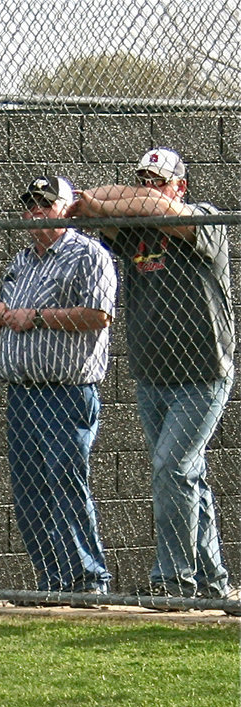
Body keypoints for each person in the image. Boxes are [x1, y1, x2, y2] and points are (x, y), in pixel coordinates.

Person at [73, 149, 237, 607]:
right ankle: (214, 580)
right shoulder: (135, 233)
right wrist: (102, 200)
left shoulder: (205, 219)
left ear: (180, 186)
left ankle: (173, 580)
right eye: (142, 178)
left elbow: (158, 209)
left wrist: (117, 200)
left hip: (204, 372)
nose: (149, 187)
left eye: (158, 180)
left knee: (172, 468)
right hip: (153, 374)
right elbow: (91, 206)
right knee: (187, 476)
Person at [0, 175, 117, 600]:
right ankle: (53, 582)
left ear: (66, 209)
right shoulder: (22, 260)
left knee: (65, 483)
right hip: (21, 392)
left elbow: (98, 315)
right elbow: (4, 318)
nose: (35, 212)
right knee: (29, 491)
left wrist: (37, 317)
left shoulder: (88, 254)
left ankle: (88, 581)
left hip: (65, 392)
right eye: (30, 204)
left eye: (45, 204)